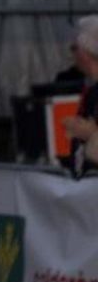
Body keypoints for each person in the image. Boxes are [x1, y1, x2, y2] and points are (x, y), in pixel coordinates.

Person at [57, 16, 98, 176]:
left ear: (86, 53)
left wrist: (90, 134)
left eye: (74, 48)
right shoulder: (90, 88)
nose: (72, 53)